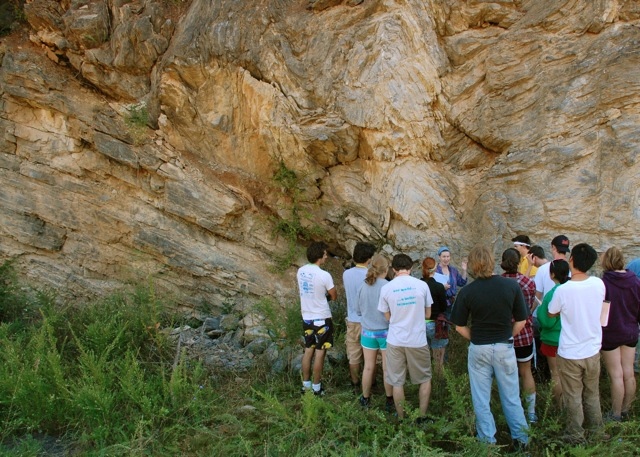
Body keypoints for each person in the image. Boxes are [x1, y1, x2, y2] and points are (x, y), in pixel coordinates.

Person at [450, 245, 530, 450]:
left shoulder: (467, 291)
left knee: (481, 398)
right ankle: (522, 441)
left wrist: (475, 337)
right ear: (492, 261)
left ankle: (487, 444)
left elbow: (459, 326)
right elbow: (522, 320)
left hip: (479, 348)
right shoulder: (510, 286)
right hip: (504, 346)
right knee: (511, 396)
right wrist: (507, 336)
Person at [548, 243, 606, 443]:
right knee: (592, 393)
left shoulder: (563, 290)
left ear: (571, 260)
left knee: (573, 396)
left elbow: (551, 312)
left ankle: (575, 435)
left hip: (570, 352)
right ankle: (597, 432)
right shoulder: (599, 284)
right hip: (592, 349)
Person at [377, 253, 433, 420]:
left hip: (395, 339)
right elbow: (428, 313)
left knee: (397, 381)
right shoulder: (422, 286)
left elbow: (387, 316)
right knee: (424, 378)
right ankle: (421, 417)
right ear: (411, 268)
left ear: (394, 269)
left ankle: (401, 418)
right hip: (417, 339)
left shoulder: (386, 288)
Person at [600, 247, 640, 421]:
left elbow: (601, 312)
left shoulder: (604, 283)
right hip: (630, 331)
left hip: (611, 333)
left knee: (616, 375)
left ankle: (615, 414)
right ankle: (626, 410)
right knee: (629, 372)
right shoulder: (635, 281)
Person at [500, 248, 538, 423]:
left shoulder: (498, 282)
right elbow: (529, 307)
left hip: (503, 335)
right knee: (526, 372)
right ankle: (531, 413)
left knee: (507, 375)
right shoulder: (528, 283)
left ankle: (511, 413)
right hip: (524, 334)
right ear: (518, 263)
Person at [297, 241, 337, 396]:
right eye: (325, 254)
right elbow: (333, 295)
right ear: (320, 256)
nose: (326, 256)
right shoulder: (324, 275)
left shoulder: (301, 271)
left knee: (308, 350)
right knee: (320, 353)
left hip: (307, 317)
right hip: (321, 317)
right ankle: (316, 387)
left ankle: (305, 385)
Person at [355, 254, 394, 411]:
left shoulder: (363, 286)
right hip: (385, 332)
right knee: (386, 368)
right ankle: (389, 400)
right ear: (386, 269)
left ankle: (365, 398)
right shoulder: (387, 286)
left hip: (368, 332)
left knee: (368, 367)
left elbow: (358, 311)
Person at [536, 259, 570, 406]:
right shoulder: (573, 290)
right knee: (570, 375)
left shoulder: (551, 294)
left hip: (553, 339)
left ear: (552, 274)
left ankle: (560, 406)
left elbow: (547, 321)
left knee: (555, 374)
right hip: (570, 340)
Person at [343, 242, 376, 390]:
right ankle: (371, 384)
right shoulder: (369, 275)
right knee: (372, 356)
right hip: (368, 321)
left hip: (352, 319)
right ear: (369, 259)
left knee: (353, 353)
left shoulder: (346, 274)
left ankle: (355, 383)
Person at [421, 257, 448, 376]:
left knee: (424, 357)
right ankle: (438, 381)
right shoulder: (438, 287)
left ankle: (425, 379)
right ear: (435, 269)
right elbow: (443, 307)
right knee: (438, 358)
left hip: (421, 324)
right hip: (435, 324)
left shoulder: (419, 285)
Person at [435, 246, 468, 313]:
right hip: (438, 303)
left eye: (448, 256)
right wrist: (441, 287)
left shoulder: (453, 270)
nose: (446, 259)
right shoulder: (435, 271)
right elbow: (430, 287)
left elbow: (462, 282)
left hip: (451, 303)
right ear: (439, 257)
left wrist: (464, 270)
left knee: (449, 322)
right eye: (444, 256)